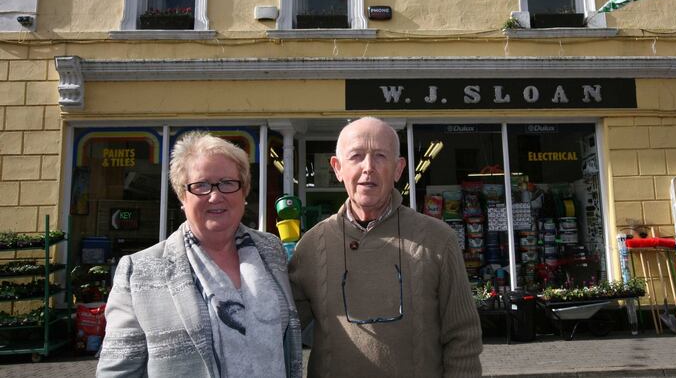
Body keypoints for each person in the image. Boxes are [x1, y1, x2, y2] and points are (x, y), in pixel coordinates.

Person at [97, 131, 302, 378]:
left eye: (228, 183)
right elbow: (117, 372)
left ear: (244, 192)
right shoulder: (139, 270)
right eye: (201, 185)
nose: (215, 195)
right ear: (182, 196)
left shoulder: (271, 250)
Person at [289, 117, 482, 377]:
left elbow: (463, 339)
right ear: (337, 167)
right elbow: (280, 332)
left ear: (398, 168)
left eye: (380, 156)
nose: (368, 167)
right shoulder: (311, 246)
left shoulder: (438, 240)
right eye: (356, 156)